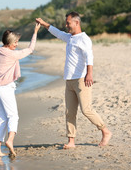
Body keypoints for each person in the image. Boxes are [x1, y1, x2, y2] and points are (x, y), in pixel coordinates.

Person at [36, 12, 112, 149]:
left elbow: (90, 57)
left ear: (77, 23)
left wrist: (89, 74)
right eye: (66, 23)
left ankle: (105, 131)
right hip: (69, 80)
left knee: (86, 109)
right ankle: (71, 141)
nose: (66, 25)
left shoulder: (84, 39)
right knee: (70, 112)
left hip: (81, 80)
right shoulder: (70, 37)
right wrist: (43, 24)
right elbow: (57, 33)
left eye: (68, 23)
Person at [0, 22, 41, 157]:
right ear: (9, 42)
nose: (17, 44)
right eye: (16, 42)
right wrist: (35, 32)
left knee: (2, 118)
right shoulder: (12, 54)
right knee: (13, 116)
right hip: (5, 89)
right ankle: (10, 140)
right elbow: (30, 49)